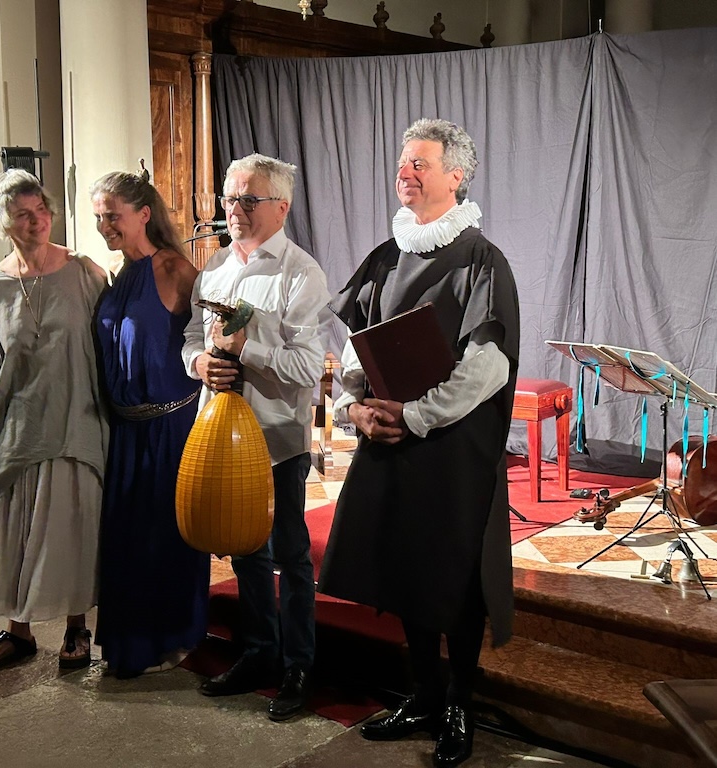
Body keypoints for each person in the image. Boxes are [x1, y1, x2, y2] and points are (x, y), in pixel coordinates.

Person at [318, 119, 519, 767]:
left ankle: (459, 702)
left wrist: (417, 415)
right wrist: (355, 407)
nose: (404, 172)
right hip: (390, 438)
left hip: (454, 450)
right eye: (403, 162)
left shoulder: (481, 260)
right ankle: (424, 693)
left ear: (456, 176)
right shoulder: (387, 255)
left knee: (452, 577)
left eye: (419, 163)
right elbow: (356, 352)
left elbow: (488, 366)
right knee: (405, 567)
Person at [182, 153, 330, 721]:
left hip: (276, 440)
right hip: (222, 438)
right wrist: (200, 363)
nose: (235, 209)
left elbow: (308, 367)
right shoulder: (215, 268)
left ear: (282, 207)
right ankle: (259, 652)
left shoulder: (301, 273)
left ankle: (299, 665)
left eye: (249, 199)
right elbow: (191, 339)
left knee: (290, 556)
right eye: (229, 198)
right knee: (244, 552)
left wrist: (248, 349)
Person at [0, 169, 109, 672]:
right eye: (22, 214)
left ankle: (76, 627)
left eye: (41, 209)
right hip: (20, 425)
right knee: (17, 530)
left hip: (77, 418)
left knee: (73, 526)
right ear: (0, 223)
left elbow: (112, 346)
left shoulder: (85, 272)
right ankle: (18, 632)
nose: (36, 221)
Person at [90, 171, 210, 678]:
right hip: (125, 433)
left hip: (171, 431)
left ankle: (174, 637)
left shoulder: (176, 270)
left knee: (166, 538)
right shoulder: (116, 275)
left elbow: (207, 343)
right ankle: (130, 645)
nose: (104, 226)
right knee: (126, 543)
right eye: (99, 217)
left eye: (112, 215)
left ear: (143, 214)